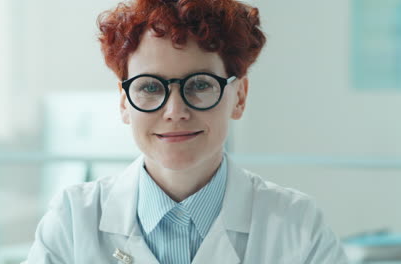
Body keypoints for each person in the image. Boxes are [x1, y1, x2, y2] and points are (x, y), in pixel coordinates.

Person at [24, 0, 348, 263]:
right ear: (124, 103)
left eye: (200, 85)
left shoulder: (297, 226)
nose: (175, 111)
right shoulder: (73, 220)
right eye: (150, 86)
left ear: (240, 97)